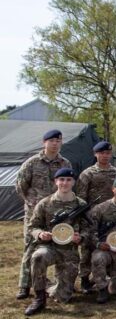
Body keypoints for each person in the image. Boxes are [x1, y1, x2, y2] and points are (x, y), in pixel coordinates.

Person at [15, 129, 72, 300]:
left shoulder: (65, 163)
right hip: (35, 214)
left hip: (58, 214)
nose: (55, 143)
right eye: (52, 140)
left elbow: (67, 186)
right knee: (31, 247)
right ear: (44, 142)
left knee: (58, 245)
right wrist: (33, 204)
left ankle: (57, 283)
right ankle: (24, 285)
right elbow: (20, 186)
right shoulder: (32, 163)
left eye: (58, 140)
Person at [24, 168, 88, 316]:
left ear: (73, 182)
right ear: (56, 181)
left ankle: (50, 286)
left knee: (63, 297)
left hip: (70, 251)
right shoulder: (45, 203)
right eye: (61, 179)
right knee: (38, 256)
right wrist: (40, 234)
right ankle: (39, 298)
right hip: (49, 247)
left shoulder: (81, 204)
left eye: (68, 180)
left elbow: (88, 229)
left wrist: (81, 237)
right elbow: (32, 226)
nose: (65, 183)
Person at [75, 141, 116, 293]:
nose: (105, 156)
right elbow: (81, 199)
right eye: (102, 153)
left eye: (108, 153)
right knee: (87, 249)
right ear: (96, 154)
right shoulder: (87, 174)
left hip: (111, 217)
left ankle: (107, 276)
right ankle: (84, 279)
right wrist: (85, 217)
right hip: (91, 217)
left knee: (111, 244)